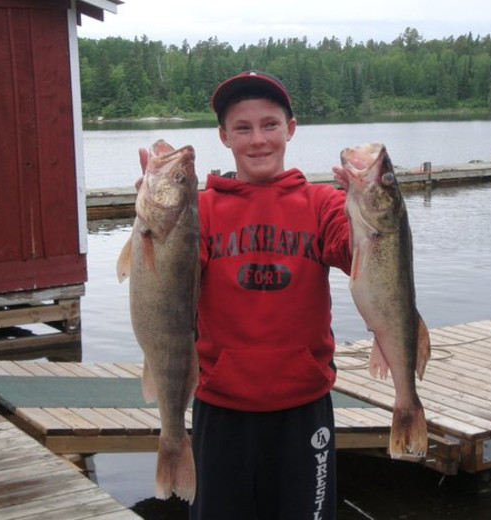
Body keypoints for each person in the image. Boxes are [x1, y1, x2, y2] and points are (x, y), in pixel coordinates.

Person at [142, 70, 352, 519]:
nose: (258, 139)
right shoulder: (198, 211)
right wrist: (153, 217)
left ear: (290, 130)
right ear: (224, 136)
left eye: (270, 125)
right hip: (221, 410)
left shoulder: (324, 205)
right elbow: (170, 283)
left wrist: (369, 211)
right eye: (243, 128)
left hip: (304, 409)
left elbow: (361, 258)